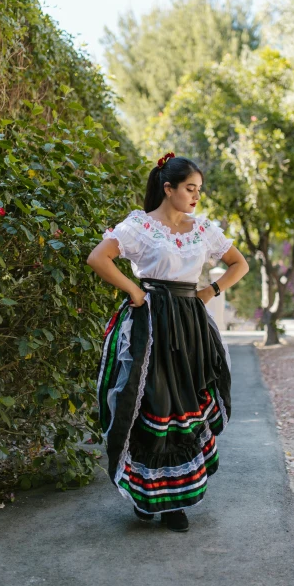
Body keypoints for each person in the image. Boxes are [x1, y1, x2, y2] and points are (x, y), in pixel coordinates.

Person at [86, 153, 249, 532]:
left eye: (199, 190)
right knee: (151, 404)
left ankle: (175, 504)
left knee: (185, 406)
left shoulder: (203, 229)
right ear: (168, 188)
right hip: (152, 325)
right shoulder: (140, 226)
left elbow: (239, 263)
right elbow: (99, 257)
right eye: (189, 189)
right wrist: (135, 292)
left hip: (190, 326)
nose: (195, 197)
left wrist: (211, 290)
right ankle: (147, 499)